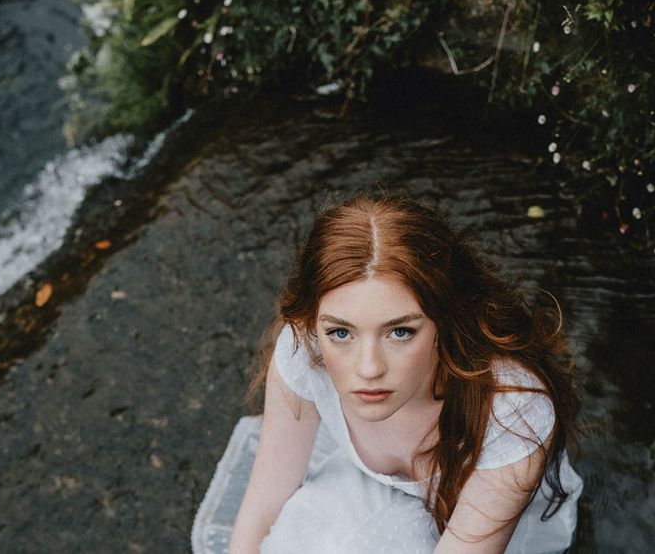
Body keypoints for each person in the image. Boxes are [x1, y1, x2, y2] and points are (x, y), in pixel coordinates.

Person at [228, 194, 583, 553]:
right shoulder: (305, 347)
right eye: (340, 333)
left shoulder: (512, 413)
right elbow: (263, 507)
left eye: (400, 332)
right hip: (363, 495)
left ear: (445, 321)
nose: (368, 369)